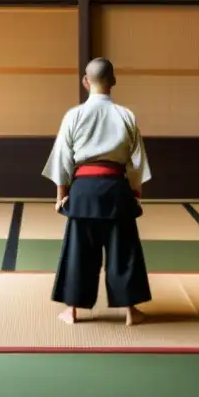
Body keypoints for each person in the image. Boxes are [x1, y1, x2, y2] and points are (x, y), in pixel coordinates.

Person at [42, 57, 152, 326]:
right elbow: (136, 163)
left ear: (85, 81)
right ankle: (130, 310)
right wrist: (135, 196)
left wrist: (61, 198)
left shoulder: (74, 115)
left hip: (83, 192)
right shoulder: (126, 115)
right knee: (123, 251)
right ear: (113, 81)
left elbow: (62, 160)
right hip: (117, 190)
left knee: (79, 252)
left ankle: (73, 310)